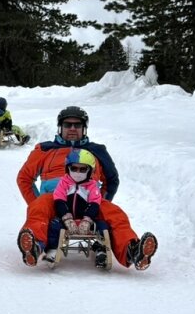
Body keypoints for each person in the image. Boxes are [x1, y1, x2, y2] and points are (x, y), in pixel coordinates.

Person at [15, 104, 158, 271]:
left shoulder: (96, 151)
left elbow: (111, 180)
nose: (73, 128)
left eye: (78, 125)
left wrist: (98, 202)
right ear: (60, 127)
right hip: (55, 199)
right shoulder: (45, 150)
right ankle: (34, 246)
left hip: (88, 198)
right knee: (39, 209)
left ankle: (132, 251)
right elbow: (24, 178)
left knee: (115, 213)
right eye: (68, 125)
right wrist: (36, 201)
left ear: (85, 128)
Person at [44, 149, 108, 267]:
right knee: (53, 225)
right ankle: (52, 249)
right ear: (68, 168)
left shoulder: (92, 186)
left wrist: (87, 220)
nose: (78, 172)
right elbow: (59, 200)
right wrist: (66, 218)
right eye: (74, 168)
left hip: (87, 220)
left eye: (82, 169)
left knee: (103, 226)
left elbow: (95, 203)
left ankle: (100, 250)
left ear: (90, 171)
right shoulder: (63, 183)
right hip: (66, 219)